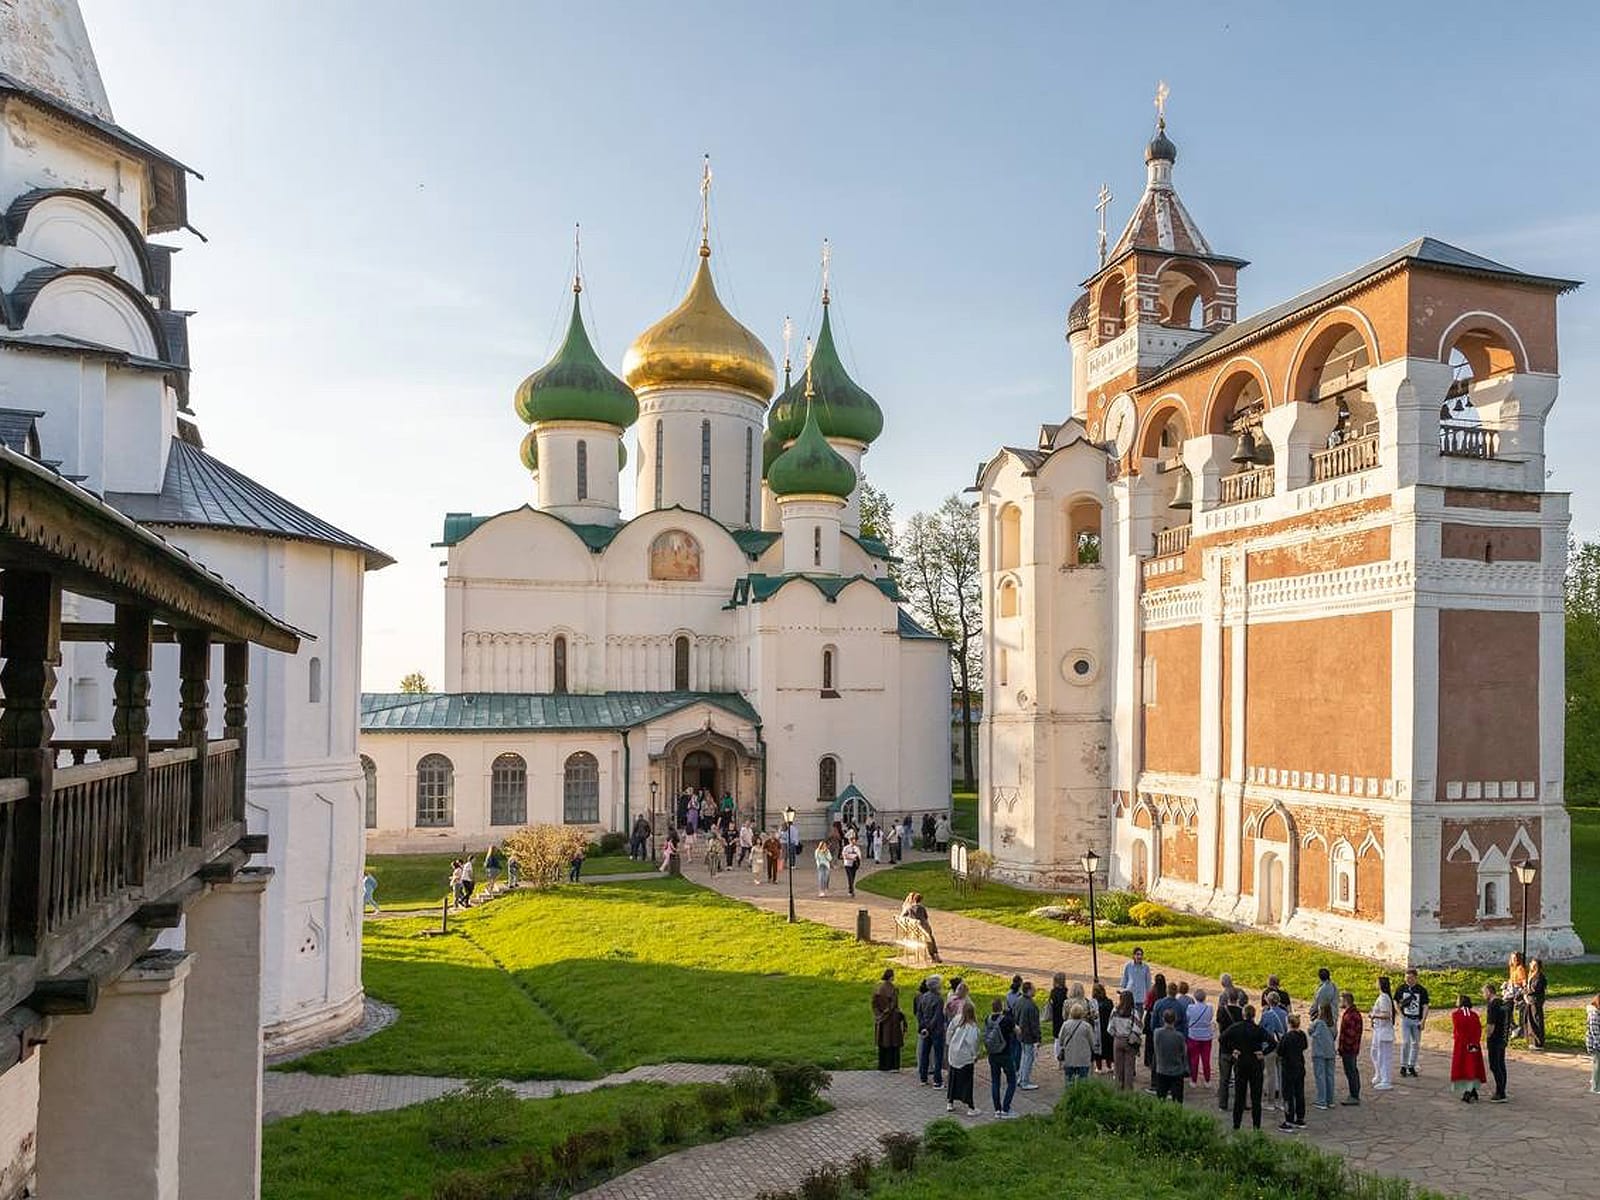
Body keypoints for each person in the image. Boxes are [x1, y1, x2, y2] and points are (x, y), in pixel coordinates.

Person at [1220, 1004, 1274, 1131]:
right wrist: (1263, 1052)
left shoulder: (1236, 1027)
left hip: (1241, 1063)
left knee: (1239, 1096)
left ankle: (1236, 1125)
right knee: (1256, 1098)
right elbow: (1273, 1042)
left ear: (1243, 1014)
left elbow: (1222, 1038)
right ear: (1254, 1015)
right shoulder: (1258, 1029)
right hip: (1255, 1064)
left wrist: (1232, 1050)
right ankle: (1256, 1126)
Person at [983, 997, 1019, 1118]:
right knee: (1012, 1081)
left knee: (995, 1081)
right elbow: (1018, 1031)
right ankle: (1006, 1108)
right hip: (1005, 1053)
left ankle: (997, 1110)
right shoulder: (1007, 1020)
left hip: (992, 1054)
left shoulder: (987, 1019)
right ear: (1002, 1007)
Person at [945, 998, 980, 1116]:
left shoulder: (957, 1019)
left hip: (953, 1054)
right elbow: (972, 1044)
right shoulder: (972, 1027)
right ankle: (971, 1107)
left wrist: (949, 1043)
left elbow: (949, 1030)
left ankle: (950, 1102)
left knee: (953, 1078)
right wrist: (975, 1055)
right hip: (965, 1058)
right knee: (966, 1082)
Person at [1450, 993, 1486, 1103]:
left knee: (1464, 1067)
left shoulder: (1456, 1014)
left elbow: (1457, 1031)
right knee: (1473, 1066)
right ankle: (1473, 1088)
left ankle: (1468, 1091)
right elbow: (1478, 1029)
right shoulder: (1474, 1015)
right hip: (1474, 1044)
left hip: (1461, 1045)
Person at [1395, 968, 1430, 1078]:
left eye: (1410, 978)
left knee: (1415, 1043)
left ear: (1415, 978)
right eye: (1406, 978)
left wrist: (1423, 1020)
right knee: (1405, 1042)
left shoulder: (1421, 990)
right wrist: (1400, 1014)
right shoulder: (1402, 988)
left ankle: (1412, 1065)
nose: (1408, 980)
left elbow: (1425, 1006)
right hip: (1406, 1019)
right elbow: (1395, 1000)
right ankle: (1403, 1065)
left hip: (1416, 1019)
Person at [1277, 1013, 1309, 1131]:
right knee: (1299, 1093)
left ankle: (1288, 1119)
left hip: (1288, 1068)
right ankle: (1300, 1118)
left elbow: (1280, 1051)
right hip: (1300, 1066)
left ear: (1289, 1023)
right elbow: (1305, 1046)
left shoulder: (1287, 1037)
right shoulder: (1302, 1035)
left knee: (1287, 1095)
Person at [1215, 983, 1244, 1111]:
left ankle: (1223, 1104)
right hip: (1238, 1049)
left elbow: (1218, 1021)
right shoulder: (1241, 1012)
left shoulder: (1222, 1011)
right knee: (1240, 1078)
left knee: (1224, 1079)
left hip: (1225, 1048)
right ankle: (1241, 1102)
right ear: (1238, 998)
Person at [915, 975, 947, 1088]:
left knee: (925, 1053)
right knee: (938, 1055)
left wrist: (923, 1026)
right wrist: (929, 1027)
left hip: (925, 1029)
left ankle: (923, 1078)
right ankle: (937, 1081)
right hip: (936, 1031)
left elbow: (919, 1013)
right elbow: (937, 1016)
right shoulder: (938, 999)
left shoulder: (923, 997)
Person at [872, 969, 906, 1071]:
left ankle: (883, 1065)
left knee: (883, 1041)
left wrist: (879, 1015)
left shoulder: (878, 988)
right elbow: (893, 1004)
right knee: (893, 1042)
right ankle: (893, 1065)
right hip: (892, 1020)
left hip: (882, 1020)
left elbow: (874, 1004)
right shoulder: (893, 989)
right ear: (891, 977)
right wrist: (890, 1012)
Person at [1152, 1009, 1188, 1104]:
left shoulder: (1157, 1033)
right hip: (1176, 1071)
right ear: (1175, 1020)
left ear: (1163, 1019)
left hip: (1162, 1069)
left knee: (1161, 1099)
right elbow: (1184, 1052)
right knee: (1177, 1101)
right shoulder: (1179, 1036)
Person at [1055, 1000, 1095, 1086]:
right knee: (1083, 1081)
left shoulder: (1065, 1024)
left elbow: (1060, 1039)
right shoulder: (1086, 1026)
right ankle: (1081, 1096)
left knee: (1069, 1080)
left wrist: (1063, 1045)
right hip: (1083, 1058)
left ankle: (1070, 1096)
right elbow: (1092, 1041)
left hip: (1069, 1057)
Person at [1259, 990, 1288, 1109]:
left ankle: (1270, 1102)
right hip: (1281, 1046)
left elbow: (1260, 1029)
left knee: (1270, 1074)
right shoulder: (1284, 1013)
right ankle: (1281, 1101)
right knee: (1281, 1074)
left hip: (1269, 1047)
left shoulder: (1266, 1014)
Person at [1108, 990, 1140, 1091]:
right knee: (1129, 1068)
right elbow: (1138, 1028)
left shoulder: (1115, 1011)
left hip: (1117, 1040)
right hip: (1129, 1041)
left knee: (1118, 1067)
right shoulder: (1134, 1012)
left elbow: (1110, 1028)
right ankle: (1128, 1090)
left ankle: (1118, 1088)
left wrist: (1116, 1034)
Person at [1483, 983, 1510, 1102]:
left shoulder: (1493, 1005)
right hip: (1502, 1037)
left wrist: (1487, 1036)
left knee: (1494, 1065)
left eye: (1484, 992)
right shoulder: (1503, 1003)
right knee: (1501, 1064)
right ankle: (1502, 1089)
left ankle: (1500, 1092)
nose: (1483, 995)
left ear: (1489, 992)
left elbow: (1491, 1025)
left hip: (1494, 1038)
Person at [1369, 975, 1396, 1091]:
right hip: (1378, 1030)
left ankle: (1386, 1080)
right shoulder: (1382, 997)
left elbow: (1386, 1015)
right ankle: (1379, 1074)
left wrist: (1374, 1015)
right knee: (1375, 1053)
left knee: (1384, 1056)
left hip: (1383, 1031)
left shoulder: (1384, 998)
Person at [1310, 1003, 1338, 1111]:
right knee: (1330, 1076)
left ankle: (1322, 1100)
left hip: (1319, 1052)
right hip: (1330, 1051)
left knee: (1320, 1076)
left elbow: (1310, 1031)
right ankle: (1330, 1100)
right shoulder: (1332, 1023)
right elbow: (1335, 1035)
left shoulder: (1318, 1022)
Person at [1015, 981, 1043, 1090]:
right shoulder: (1031, 1006)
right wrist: (1038, 1038)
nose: (1035, 990)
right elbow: (1034, 1025)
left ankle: (1021, 1078)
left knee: (1024, 1056)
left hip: (1021, 1034)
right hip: (1029, 1036)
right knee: (1028, 1058)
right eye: (1033, 988)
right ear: (1029, 990)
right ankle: (1025, 1081)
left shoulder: (1019, 1001)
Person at [1337, 991, 1363, 1106]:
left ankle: (1354, 1095)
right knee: (1353, 1071)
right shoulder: (1353, 1013)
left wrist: (1343, 1048)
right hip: (1352, 1048)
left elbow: (1350, 1035)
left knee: (1351, 1071)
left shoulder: (1350, 1016)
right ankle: (1354, 1093)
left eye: (1341, 1000)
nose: (1340, 1002)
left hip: (1349, 1049)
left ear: (1346, 1001)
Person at [900, 892, 941, 962]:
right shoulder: (922, 908)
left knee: (929, 937)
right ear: (921, 900)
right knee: (930, 938)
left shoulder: (909, 908)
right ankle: (934, 956)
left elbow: (902, 917)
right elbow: (926, 917)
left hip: (914, 930)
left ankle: (934, 956)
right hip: (922, 929)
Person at [1186, 986, 1215, 1085]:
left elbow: (1188, 1019)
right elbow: (1210, 1019)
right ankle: (1207, 1080)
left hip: (1193, 1036)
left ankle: (1194, 1080)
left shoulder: (1190, 1008)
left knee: (1194, 1059)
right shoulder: (1210, 1008)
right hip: (1206, 1036)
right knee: (1206, 1060)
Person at [1120, 949, 1152, 1019]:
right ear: (1134, 955)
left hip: (1141, 998)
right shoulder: (1128, 966)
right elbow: (1124, 979)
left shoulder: (1146, 967)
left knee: (1139, 1019)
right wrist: (1122, 991)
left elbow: (1148, 982)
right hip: (1130, 997)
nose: (1139, 956)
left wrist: (1148, 997)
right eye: (1137, 954)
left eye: (1141, 954)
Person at [1092, 982, 1113, 1076]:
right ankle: (1109, 1066)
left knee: (1097, 1050)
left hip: (1097, 1030)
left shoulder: (1093, 1004)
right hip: (1107, 1030)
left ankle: (1099, 1067)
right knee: (1108, 1049)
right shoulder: (1109, 1002)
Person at [1526, 958, 1548, 1050]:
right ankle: (1533, 1040)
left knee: (1536, 1020)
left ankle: (1538, 1042)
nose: (1531, 965)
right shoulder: (1532, 975)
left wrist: (1525, 992)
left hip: (1536, 1000)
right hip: (1531, 1000)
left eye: (1533, 964)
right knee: (1531, 1020)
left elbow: (1535, 988)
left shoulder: (1539, 976)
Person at [1506, 950, 1528, 1038]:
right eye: (1512, 958)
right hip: (1511, 990)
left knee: (1521, 1010)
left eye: (1515, 958)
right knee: (1507, 1009)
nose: (1513, 960)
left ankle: (1520, 1029)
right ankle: (1513, 1027)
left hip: (1517, 991)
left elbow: (1523, 981)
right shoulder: (1512, 968)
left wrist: (1522, 989)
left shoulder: (1520, 969)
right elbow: (1511, 979)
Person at [1047, 971, 1070, 1038]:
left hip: (1056, 1017)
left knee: (1057, 1037)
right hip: (1064, 1016)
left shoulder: (1053, 992)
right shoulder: (1066, 992)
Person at [1586, 994, 1600, 1094]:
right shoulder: (1594, 1014)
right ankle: (1595, 1087)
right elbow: (1595, 1033)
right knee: (1597, 1066)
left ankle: (1595, 1082)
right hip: (1596, 1045)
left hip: (1597, 1044)